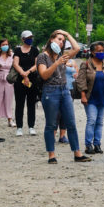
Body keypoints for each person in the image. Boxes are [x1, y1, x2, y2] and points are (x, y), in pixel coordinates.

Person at [36, 30, 91, 164]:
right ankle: (51, 155)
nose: (61, 42)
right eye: (59, 39)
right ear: (51, 40)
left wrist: (66, 34)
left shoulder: (62, 55)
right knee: (51, 124)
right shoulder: (42, 56)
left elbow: (77, 48)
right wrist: (56, 63)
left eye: (63, 41)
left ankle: (77, 153)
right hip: (50, 91)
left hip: (64, 90)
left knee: (71, 122)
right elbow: (44, 75)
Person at [77, 41, 104, 155]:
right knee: (91, 121)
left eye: (102, 51)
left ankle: (97, 144)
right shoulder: (86, 64)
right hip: (90, 98)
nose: (101, 53)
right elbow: (81, 81)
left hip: (103, 98)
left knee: (99, 122)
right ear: (92, 52)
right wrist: (83, 96)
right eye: (98, 51)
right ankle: (88, 145)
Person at [13, 30, 39, 136]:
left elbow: (37, 64)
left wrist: (28, 72)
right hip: (20, 80)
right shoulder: (17, 50)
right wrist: (23, 74)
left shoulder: (35, 50)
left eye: (31, 37)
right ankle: (19, 127)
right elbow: (15, 63)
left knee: (31, 103)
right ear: (23, 39)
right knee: (19, 103)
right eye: (28, 37)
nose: (30, 39)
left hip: (32, 79)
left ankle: (31, 126)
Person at [0, 38, 15, 128]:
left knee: (8, 99)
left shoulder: (12, 55)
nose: (5, 46)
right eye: (3, 45)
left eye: (6, 44)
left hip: (9, 78)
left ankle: (10, 119)